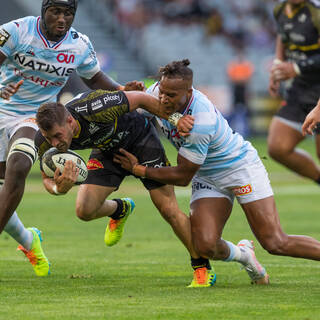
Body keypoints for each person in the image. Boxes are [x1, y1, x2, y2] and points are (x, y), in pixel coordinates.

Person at [114, 59, 320, 285]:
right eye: (162, 92)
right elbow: (135, 102)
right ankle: (245, 256)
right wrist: (132, 93)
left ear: (189, 92)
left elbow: (183, 177)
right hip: (208, 176)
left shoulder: (200, 122)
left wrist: (140, 170)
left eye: (171, 95)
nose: (163, 99)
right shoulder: (156, 93)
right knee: (205, 246)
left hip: (239, 168)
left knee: (275, 243)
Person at [0, 0, 144, 277]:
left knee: (19, 165)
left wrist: (122, 89)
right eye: (56, 11)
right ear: (44, 11)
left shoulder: (78, 45)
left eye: (69, 13)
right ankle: (30, 241)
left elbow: (94, 78)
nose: (62, 19)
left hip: (34, 117)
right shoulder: (17, 31)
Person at [35, 88, 216, 288]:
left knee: (168, 209)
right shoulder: (44, 140)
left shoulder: (96, 107)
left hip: (140, 139)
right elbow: (46, 177)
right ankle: (120, 209)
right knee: (84, 210)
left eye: (57, 136)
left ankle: (201, 267)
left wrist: (175, 119)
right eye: (49, 137)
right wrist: (58, 190)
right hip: (107, 150)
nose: (55, 143)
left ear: (70, 121)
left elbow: (141, 99)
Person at [268, 0, 320, 184]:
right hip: (301, 89)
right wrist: (277, 66)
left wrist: (297, 68)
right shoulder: (280, 10)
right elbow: (282, 37)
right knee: (277, 147)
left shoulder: (316, 12)